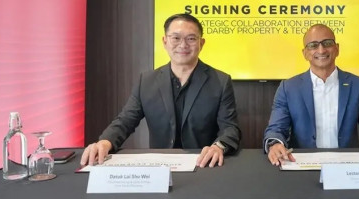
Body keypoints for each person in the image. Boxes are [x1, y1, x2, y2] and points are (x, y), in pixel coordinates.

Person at [81, 13, 241, 168]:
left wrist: (218, 146)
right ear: (165, 41)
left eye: (191, 38)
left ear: (202, 43)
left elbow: (230, 128)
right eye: (176, 38)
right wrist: (105, 142)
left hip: (203, 164)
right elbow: (125, 121)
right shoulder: (147, 81)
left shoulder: (220, 81)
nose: (183, 45)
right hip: (159, 168)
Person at [263, 24, 359, 166]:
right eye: (313, 45)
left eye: (327, 43)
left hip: (347, 167)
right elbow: (276, 128)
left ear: (337, 48)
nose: (321, 50)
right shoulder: (288, 88)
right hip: (302, 165)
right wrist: (275, 144)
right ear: (305, 53)